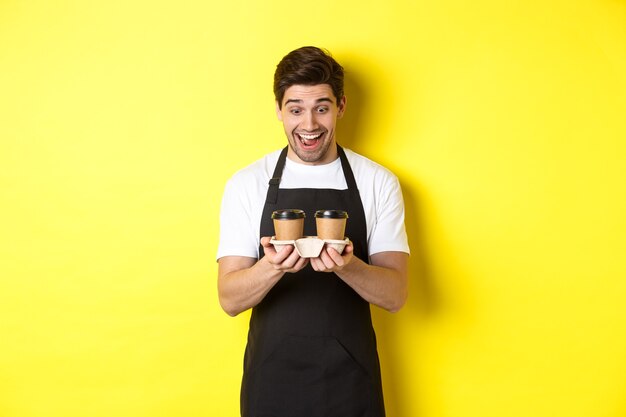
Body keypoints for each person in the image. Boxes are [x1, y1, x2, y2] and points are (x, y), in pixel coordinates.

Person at [217, 46, 410, 417]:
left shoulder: (376, 182)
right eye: (295, 109)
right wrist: (272, 266)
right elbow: (229, 299)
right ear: (278, 110)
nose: (309, 125)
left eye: (321, 107)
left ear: (341, 106)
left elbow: (396, 295)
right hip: (270, 381)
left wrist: (346, 265)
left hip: (351, 382)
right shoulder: (248, 184)